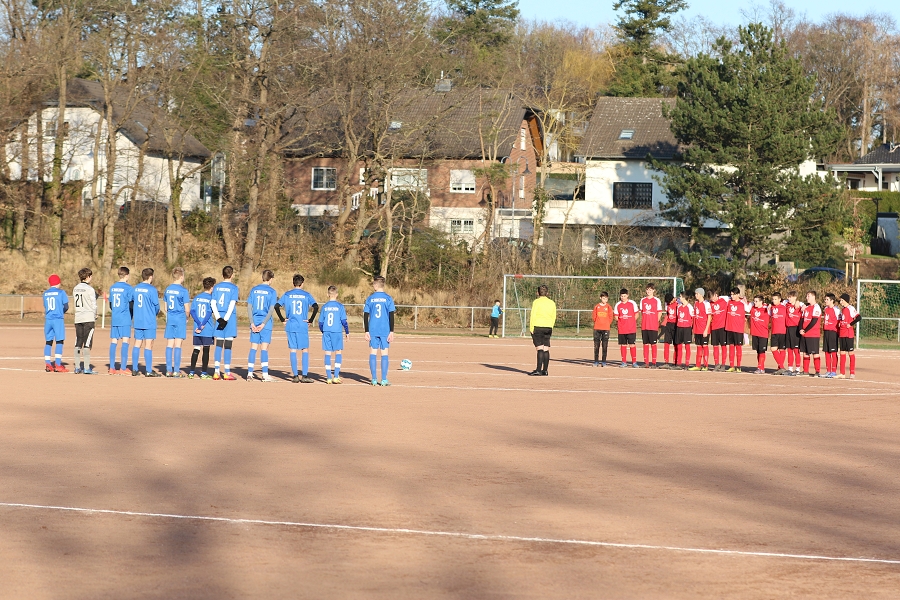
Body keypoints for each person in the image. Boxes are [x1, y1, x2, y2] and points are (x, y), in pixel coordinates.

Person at [277, 274, 318, 383]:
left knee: (293, 350)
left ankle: (295, 376)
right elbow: (316, 307)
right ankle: (304, 376)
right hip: (302, 325)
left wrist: (282, 319)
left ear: (293, 283)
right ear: (302, 283)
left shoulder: (287, 294)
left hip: (290, 325)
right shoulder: (306, 295)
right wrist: (310, 320)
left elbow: (276, 306)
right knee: (305, 349)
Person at [364, 276, 396, 385]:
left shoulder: (370, 298)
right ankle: (383, 379)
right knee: (384, 353)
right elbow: (391, 316)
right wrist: (391, 331)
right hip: (384, 329)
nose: (373, 286)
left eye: (373, 284)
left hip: (373, 329)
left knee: (373, 352)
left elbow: (365, 315)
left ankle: (373, 379)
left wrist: (366, 331)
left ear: (376, 285)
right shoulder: (388, 298)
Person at [246, 270, 278, 382]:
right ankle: (265, 375)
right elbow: (271, 309)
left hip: (255, 321)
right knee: (264, 348)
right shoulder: (272, 291)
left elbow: (249, 307)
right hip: (266, 323)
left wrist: (252, 323)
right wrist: (264, 323)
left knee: (253, 347)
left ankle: (249, 374)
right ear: (271, 279)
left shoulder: (254, 290)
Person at [211, 266, 240, 381]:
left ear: (222, 274)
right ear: (232, 275)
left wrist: (218, 318)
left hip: (219, 317)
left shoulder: (216, 287)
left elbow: (213, 303)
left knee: (218, 344)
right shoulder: (234, 288)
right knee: (228, 345)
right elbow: (232, 304)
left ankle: (216, 372)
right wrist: (226, 319)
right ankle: (227, 372)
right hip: (229, 318)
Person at [131, 268, 160, 377]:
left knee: (137, 343)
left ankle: (134, 369)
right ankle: (148, 370)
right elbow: (156, 306)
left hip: (138, 320)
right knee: (148, 344)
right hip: (149, 321)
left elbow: (131, 301)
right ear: (151, 277)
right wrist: (154, 314)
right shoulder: (152, 289)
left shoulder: (135, 288)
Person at [319, 285, 350, 384]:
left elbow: (320, 323)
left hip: (327, 331)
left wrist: (323, 331)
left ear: (327, 294)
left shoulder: (324, 307)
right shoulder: (340, 306)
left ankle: (328, 377)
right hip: (337, 331)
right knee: (338, 352)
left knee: (327, 353)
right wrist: (347, 332)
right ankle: (336, 376)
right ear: (337, 294)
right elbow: (344, 321)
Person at [163, 267, 191, 378]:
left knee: (169, 344)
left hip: (170, 318)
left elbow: (165, 308)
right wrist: (187, 317)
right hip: (180, 318)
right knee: (178, 344)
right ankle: (176, 371)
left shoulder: (167, 289)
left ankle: (168, 370)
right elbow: (187, 309)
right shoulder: (183, 291)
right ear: (181, 277)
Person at [107, 266, 133, 374]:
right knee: (125, 341)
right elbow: (131, 303)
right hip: (125, 317)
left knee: (114, 341)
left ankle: (112, 367)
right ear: (127, 275)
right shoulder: (128, 288)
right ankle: (123, 367)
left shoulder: (112, 287)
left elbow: (111, 304)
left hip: (115, 317)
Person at [189, 277, 216, 379]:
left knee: (196, 349)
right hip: (207, 328)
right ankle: (204, 373)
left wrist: (198, 324)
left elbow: (192, 311)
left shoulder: (197, 297)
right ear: (212, 287)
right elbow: (209, 312)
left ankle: (191, 372)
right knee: (206, 350)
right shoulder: (211, 298)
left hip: (197, 328)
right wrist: (202, 324)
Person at [73, 267, 98, 374]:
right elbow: (93, 304)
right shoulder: (90, 289)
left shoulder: (75, 288)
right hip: (88, 318)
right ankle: (87, 367)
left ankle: (77, 367)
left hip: (78, 318)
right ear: (88, 277)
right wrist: (95, 314)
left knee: (78, 341)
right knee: (87, 343)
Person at [528, 284, 556, 376]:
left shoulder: (536, 302)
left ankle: (538, 370)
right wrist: (551, 326)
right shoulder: (552, 303)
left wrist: (531, 327)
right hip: (548, 327)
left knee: (539, 348)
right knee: (546, 348)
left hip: (538, 326)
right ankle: (545, 370)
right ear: (547, 293)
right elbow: (553, 316)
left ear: (538, 293)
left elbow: (533, 315)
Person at [43, 274, 69, 373]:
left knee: (48, 342)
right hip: (58, 319)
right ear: (58, 283)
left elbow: (46, 306)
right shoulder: (61, 292)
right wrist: (61, 312)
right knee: (59, 341)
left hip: (48, 319)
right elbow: (66, 306)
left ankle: (48, 364)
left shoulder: (45, 293)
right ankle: (58, 364)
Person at [725, 287, 750, 372]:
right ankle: (731, 366)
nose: (732, 296)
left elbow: (748, 309)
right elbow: (721, 297)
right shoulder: (729, 302)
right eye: (731, 294)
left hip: (738, 329)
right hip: (729, 327)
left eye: (734, 294)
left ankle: (738, 366)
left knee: (738, 347)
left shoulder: (742, 304)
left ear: (738, 294)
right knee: (731, 347)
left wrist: (744, 300)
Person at [639, 284, 664, 368]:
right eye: (647, 289)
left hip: (653, 326)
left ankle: (654, 362)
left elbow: (659, 312)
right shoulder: (643, 300)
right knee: (645, 344)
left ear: (653, 290)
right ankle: (646, 362)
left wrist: (656, 321)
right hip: (644, 325)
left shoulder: (657, 300)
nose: (648, 291)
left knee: (653, 344)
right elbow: (642, 312)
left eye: (650, 290)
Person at [799, 290, 822, 377]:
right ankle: (805, 371)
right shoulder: (806, 307)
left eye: (808, 296)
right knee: (805, 352)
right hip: (805, 334)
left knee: (815, 353)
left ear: (813, 297)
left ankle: (817, 371)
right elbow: (802, 319)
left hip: (813, 334)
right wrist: (801, 329)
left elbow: (814, 321)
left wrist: (805, 330)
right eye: (807, 296)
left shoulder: (816, 307)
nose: (806, 298)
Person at [614, 288, 639, 368]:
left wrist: (631, 322)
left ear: (627, 295)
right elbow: (616, 316)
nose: (623, 297)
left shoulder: (632, 303)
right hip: (622, 329)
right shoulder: (618, 305)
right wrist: (621, 322)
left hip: (631, 329)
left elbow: (636, 314)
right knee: (623, 345)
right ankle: (624, 362)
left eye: (624, 296)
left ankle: (634, 362)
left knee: (632, 344)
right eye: (622, 296)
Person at [837, 293, 860, 379]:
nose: (840, 302)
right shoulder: (842, 310)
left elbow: (859, 317)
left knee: (850, 353)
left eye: (842, 300)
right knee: (842, 353)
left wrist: (850, 324)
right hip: (842, 334)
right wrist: (840, 324)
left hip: (848, 334)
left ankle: (852, 373)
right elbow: (841, 319)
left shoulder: (851, 308)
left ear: (845, 300)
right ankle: (842, 373)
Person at [689, 288, 712, 371]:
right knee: (698, 347)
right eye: (695, 294)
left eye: (697, 294)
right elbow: (695, 317)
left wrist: (706, 329)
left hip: (704, 329)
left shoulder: (706, 304)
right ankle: (698, 365)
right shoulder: (695, 304)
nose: (696, 295)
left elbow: (709, 317)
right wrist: (694, 329)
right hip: (697, 329)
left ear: (701, 294)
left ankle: (705, 365)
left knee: (704, 346)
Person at [708, 290, 729, 371]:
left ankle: (723, 365)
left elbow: (732, 298)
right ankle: (716, 364)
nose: (712, 300)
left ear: (716, 295)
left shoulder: (724, 301)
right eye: (711, 299)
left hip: (722, 327)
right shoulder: (710, 304)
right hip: (714, 327)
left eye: (713, 297)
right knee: (715, 346)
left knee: (723, 346)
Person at [768, 292, 789, 375]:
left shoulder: (784, 307)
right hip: (774, 331)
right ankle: (781, 367)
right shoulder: (771, 307)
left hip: (783, 331)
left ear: (780, 299)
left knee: (782, 349)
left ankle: (780, 367)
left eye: (775, 299)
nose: (774, 301)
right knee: (773, 349)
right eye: (773, 299)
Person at [749, 295, 770, 374]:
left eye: (756, 301)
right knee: (758, 351)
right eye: (754, 301)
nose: (755, 303)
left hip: (763, 333)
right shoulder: (752, 308)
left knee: (762, 351)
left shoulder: (766, 308)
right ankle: (761, 368)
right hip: (755, 333)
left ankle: (760, 367)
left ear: (761, 302)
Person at [784, 291, 804, 374]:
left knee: (796, 350)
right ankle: (790, 368)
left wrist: (799, 302)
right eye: (788, 297)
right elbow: (778, 300)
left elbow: (806, 305)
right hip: (788, 328)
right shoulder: (786, 304)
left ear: (795, 297)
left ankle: (798, 369)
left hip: (796, 329)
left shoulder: (800, 305)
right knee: (789, 349)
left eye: (791, 297)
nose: (789, 298)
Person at [591, 291, 613, 367]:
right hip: (597, 328)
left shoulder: (609, 307)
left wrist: (607, 324)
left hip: (606, 329)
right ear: (600, 298)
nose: (605, 300)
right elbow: (594, 316)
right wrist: (597, 322)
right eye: (603, 298)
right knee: (596, 346)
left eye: (606, 298)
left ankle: (604, 362)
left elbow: (611, 317)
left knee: (605, 346)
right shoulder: (597, 306)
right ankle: (596, 361)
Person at [822, 293, 840, 379]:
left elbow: (839, 320)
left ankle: (833, 371)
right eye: (825, 299)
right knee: (827, 352)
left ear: (832, 300)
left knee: (833, 352)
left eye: (827, 299)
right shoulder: (826, 309)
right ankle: (828, 370)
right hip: (826, 332)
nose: (825, 301)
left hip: (833, 332)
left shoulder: (836, 310)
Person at [674, 291, 694, 370]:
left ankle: (687, 364)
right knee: (679, 346)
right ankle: (678, 363)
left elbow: (693, 318)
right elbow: (678, 317)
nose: (679, 298)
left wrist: (692, 329)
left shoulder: (690, 307)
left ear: (684, 297)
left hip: (687, 328)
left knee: (687, 346)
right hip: (679, 327)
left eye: (681, 296)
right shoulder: (679, 307)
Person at [661, 293, 678, 369]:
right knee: (666, 343)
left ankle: (675, 362)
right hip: (668, 325)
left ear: (673, 299)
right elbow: (667, 314)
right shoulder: (667, 304)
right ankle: (666, 362)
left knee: (676, 344)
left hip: (676, 325)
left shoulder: (678, 303)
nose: (669, 303)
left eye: (670, 302)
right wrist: (664, 323)